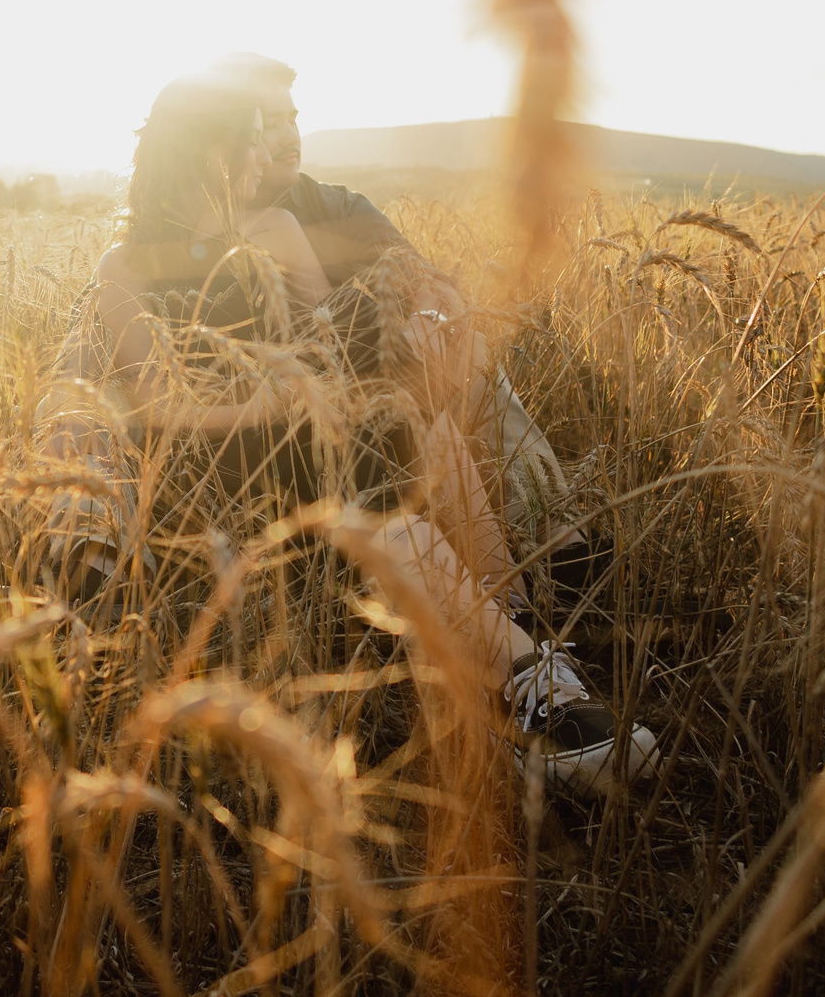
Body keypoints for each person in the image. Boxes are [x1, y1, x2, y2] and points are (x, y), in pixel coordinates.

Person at [60, 75, 652, 789]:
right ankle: (533, 687)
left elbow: (327, 345)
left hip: (310, 437)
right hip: (218, 474)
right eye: (250, 137)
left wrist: (335, 381)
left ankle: (525, 670)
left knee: (418, 435)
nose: (263, 152)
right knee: (389, 497)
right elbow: (161, 402)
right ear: (205, 149)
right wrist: (274, 401)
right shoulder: (124, 265)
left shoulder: (275, 227)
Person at [200, 53, 610, 610]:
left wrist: (429, 318)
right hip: (290, 443)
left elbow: (430, 283)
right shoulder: (194, 233)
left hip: (379, 387)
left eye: (293, 117)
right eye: (268, 122)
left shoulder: (333, 204)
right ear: (232, 134)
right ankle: (515, 584)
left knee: (457, 344)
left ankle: (555, 546)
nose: (289, 134)